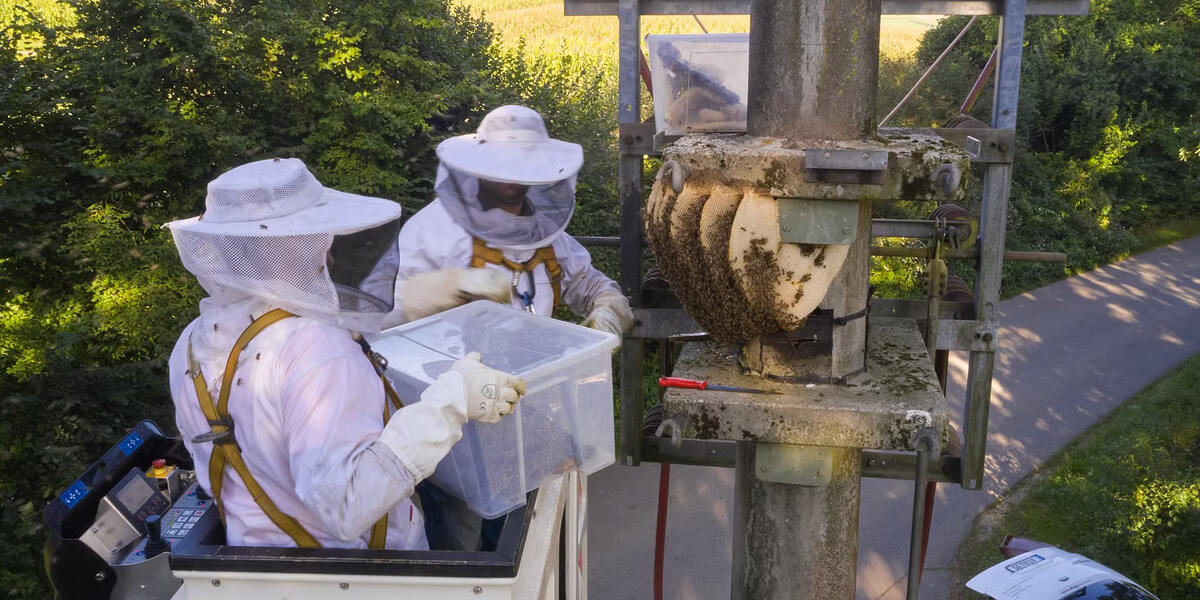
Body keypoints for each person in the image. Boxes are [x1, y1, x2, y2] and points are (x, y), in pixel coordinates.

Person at [165, 157, 526, 550]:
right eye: (316, 236)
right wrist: (451, 404)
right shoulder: (318, 348)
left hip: (251, 567)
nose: (329, 247)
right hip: (358, 572)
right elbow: (347, 504)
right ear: (297, 246)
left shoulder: (192, 343)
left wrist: (433, 292)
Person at [382, 104, 633, 339]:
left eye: (523, 158)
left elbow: (590, 284)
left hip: (534, 368)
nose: (512, 171)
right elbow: (380, 316)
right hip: (447, 369)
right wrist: (441, 290)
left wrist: (609, 310)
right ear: (482, 161)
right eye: (503, 158)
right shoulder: (432, 229)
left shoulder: (545, 235)